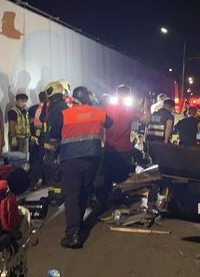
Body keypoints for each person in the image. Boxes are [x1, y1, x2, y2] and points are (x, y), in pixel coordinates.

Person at [49, 86, 113, 249]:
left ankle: (73, 234)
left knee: (72, 195)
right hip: (92, 159)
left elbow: (54, 136)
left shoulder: (64, 114)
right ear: (88, 97)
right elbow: (110, 123)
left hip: (70, 160)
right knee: (85, 191)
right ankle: (79, 224)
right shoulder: (98, 112)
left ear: (73, 98)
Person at [96, 84, 150, 210]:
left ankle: (104, 203)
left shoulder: (107, 108)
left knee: (107, 177)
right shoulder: (129, 110)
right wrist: (146, 106)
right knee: (122, 178)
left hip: (109, 149)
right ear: (128, 95)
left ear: (116, 94)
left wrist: (102, 142)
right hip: (124, 150)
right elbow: (147, 119)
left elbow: (100, 127)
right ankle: (119, 202)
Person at [28, 91, 47, 188]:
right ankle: (40, 178)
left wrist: (32, 136)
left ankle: (32, 181)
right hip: (43, 137)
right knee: (41, 158)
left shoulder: (32, 109)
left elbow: (31, 124)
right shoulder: (48, 109)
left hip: (33, 136)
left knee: (33, 159)